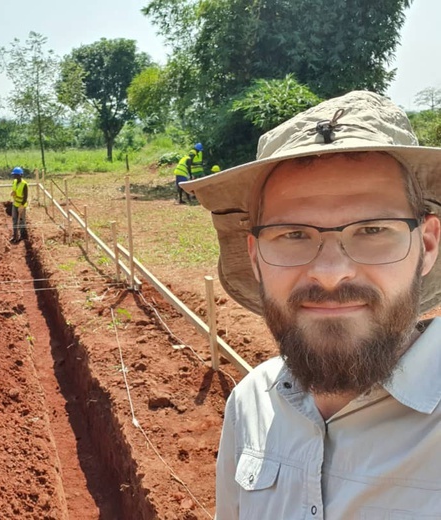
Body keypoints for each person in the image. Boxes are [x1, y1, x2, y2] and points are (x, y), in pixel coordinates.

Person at [181, 91, 441, 519]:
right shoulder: (249, 404)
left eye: (372, 229)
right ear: (255, 257)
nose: (330, 272)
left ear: (426, 245)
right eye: (292, 234)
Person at [9, 166, 28, 243]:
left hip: (21, 205)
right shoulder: (14, 182)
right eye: (14, 175)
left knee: (21, 220)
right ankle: (15, 235)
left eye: (16, 175)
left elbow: (26, 196)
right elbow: (14, 191)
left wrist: (22, 205)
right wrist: (13, 193)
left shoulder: (24, 184)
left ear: (20, 175)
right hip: (15, 203)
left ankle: (22, 236)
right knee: (14, 220)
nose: (14, 176)